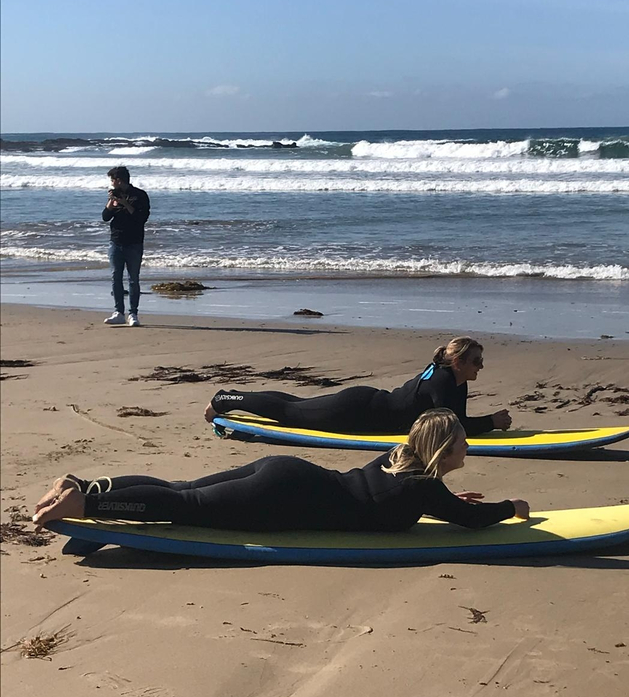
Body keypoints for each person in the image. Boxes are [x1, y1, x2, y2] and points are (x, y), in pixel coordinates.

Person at [33, 409, 529, 533]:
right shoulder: (426, 489)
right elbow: (476, 523)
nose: (469, 447)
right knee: (183, 506)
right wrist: (515, 507)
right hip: (285, 500)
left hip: (289, 472)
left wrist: (449, 502)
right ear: (443, 448)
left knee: (182, 489)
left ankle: (84, 485)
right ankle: (85, 502)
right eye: (463, 441)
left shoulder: (402, 460)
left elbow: (428, 501)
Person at [204, 336, 512, 436]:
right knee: (289, 413)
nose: (481, 367)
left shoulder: (453, 378)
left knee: (295, 404)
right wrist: (493, 423)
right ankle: (225, 398)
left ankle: (231, 396)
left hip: (365, 405)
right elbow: (454, 428)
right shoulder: (445, 383)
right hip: (354, 413)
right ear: (458, 362)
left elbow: (454, 421)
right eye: (476, 361)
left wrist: (488, 423)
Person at [102, 166, 151, 327]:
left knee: (133, 279)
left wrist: (125, 203)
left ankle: (133, 313)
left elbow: (141, 218)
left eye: (112, 180)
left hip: (134, 242)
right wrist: (111, 202)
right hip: (116, 241)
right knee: (116, 277)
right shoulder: (114, 197)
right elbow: (105, 217)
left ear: (119, 180)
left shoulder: (139, 195)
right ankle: (118, 312)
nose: (112, 183)